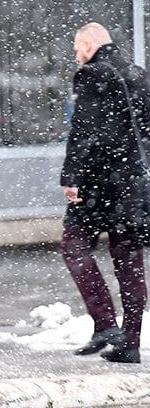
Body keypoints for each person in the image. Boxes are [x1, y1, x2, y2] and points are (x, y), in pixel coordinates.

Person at [61, 22, 149, 364]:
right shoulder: (139, 75)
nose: (75, 55)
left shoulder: (91, 74)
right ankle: (131, 343)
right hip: (133, 184)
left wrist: (72, 177)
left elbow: (83, 129)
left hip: (99, 182)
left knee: (74, 247)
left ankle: (105, 324)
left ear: (86, 44)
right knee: (129, 261)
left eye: (75, 48)